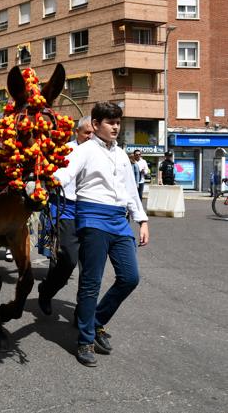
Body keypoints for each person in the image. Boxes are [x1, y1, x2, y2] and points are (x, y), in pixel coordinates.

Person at [54, 102, 149, 367]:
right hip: (92, 218)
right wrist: (41, 180)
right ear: (96, 125)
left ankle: (95, 322)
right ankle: (85, 340)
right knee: (91, 282)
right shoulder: (84, 150)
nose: (116, 127)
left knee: (130, 277)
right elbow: (64, 173)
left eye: (118, 122)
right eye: (110, 122)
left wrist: (142, 220)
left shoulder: (122, 155)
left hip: (119, 220)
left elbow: (130, 190)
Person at [38, 115, 94, 315]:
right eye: (87, 132)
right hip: (63, 209)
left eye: (93, 133)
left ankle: (83, 313)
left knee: (89, 266)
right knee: (65, 261)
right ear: (77, 132)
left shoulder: (99, 152)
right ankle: (46, 291)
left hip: (90, 211)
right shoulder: (63, 151)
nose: (90, 136)